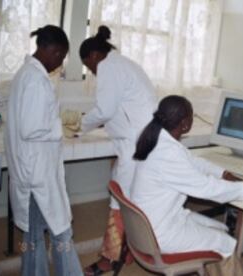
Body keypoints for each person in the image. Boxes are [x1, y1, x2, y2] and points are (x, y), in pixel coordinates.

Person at [131, 95, 243, 276]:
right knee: (227, 244)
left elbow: (193, 161)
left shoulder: (159, 138)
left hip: (151, 224)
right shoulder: (168, 154)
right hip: (161, 233)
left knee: (221, 229)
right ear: (185, 123)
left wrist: (224, 174)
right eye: (192, 116)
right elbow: (207, 189)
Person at [79, 26, 158, 275]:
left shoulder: (107, 67)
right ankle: (130, 251)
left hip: (135, 143)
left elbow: (104, 109)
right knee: (135, 197)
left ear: (92, 56)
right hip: (144, 138)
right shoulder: (124, 63)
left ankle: (109, 258)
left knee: (119, 198)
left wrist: (79, 126)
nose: (91, 71)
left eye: (88, 66)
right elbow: (116, 107)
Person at [4, 25, 82, 276]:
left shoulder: (25, 74)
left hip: (30, 170)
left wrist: (55, 122)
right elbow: (30, 128)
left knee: (34, 237)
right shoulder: (36, 80)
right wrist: (60, 126)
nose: (59, 64)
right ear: (54, 51)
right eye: (60, 57)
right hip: (37, 175)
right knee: (62, 233)